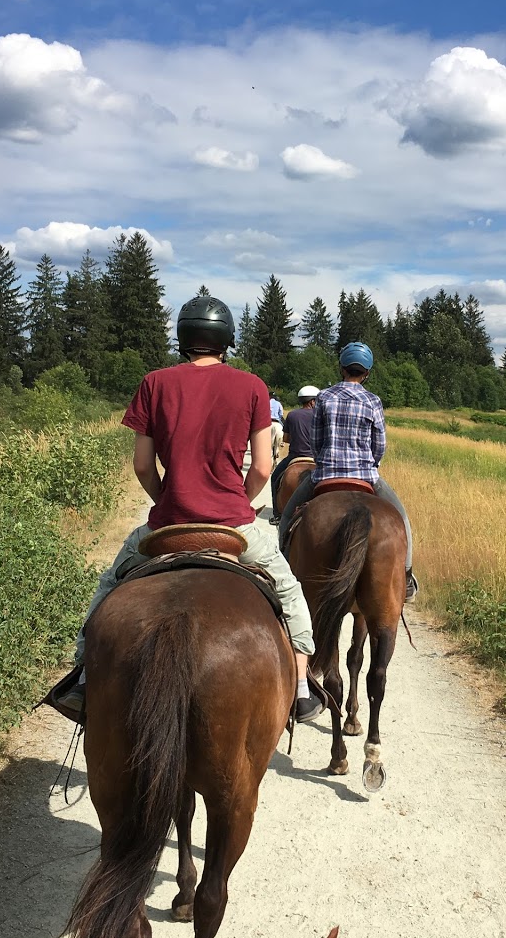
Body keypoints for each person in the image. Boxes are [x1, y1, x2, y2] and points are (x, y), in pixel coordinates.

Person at [49, 294, 323, 723]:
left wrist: (168, 501)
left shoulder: (154, 382)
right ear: (226, 340)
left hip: (169, 524)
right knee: (289, 591)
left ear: (183, 338)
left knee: (108, 586)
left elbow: (142, 464)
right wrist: (239, 502)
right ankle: (303, 689)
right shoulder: (251, 386)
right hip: (233, 525)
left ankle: (82, 679)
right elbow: (265, 465)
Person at [278, 343, 418, 602]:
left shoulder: (324, 398)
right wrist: (370, 466)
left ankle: (284, 565)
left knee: (287, 517)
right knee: (402, 518)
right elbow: (380, 445)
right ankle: (407, 576)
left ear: (341, 368)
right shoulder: (373, 400)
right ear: (367, 373)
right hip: (366, 476)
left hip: (326, 475)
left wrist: (324, 463)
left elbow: (316, 441)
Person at [270, 384, 319, 522]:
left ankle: (277, 515)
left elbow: (285, 438)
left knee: (274, 478)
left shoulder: (292, 415)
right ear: (312, 401)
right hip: (316, 459)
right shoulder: (320, 416)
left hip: (295, 456)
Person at [269, 390, 285, 459]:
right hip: (277, 421)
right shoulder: (278, 403)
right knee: (284, 428)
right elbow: (281, 414)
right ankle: (282, 443)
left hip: (268, 422)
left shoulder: (266, 402)